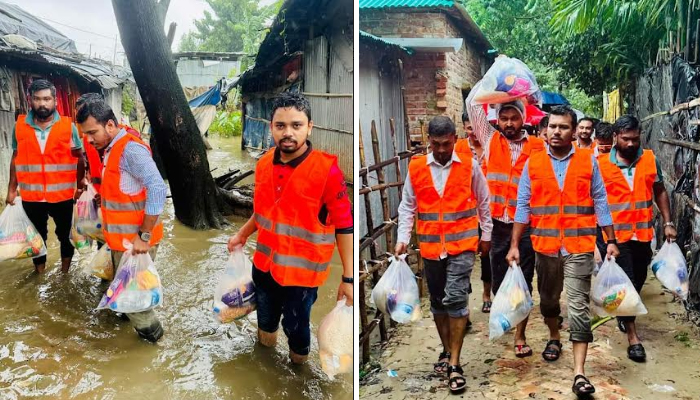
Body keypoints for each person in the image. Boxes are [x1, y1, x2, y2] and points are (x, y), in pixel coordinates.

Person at [227, 92, 353, 365]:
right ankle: (266, 369)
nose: (288, 133)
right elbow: (263, 213)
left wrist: (348, 278)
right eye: (280, 125)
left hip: (301, 279)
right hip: (263, 268)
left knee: (297, 333)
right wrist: (242, 234)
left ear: (310, 127)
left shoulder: (327, 171)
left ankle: (297, 375)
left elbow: (344, 226)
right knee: (265, 323)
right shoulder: (263, 165)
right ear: (271, 127)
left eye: (296, 125)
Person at [506, 105, 620, 398]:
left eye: (563, 127)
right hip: (545, 246)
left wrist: (610, 239)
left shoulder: (587, 162)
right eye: (553, 126)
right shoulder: (533, 163)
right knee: (547, 301)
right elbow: (523, 206)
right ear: (546, 130)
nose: (557, 132)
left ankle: (579, 373)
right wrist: (515, 244)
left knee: (579, 307)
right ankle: (554, 334)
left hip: (579, 245)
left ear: (574, 131)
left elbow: (601, 201)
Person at [395, 115, 491, 393]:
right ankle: (448, 350)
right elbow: (407, 207)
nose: (440, 150)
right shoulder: (416, 169)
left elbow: (484, 203)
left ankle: (455, 364)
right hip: (431, 248)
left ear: (455, 140)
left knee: (456, 298)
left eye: (446, 144)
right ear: (429, 141)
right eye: (435, 144)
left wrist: (485, 235)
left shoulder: (470, 167)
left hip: (462, 247)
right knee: (437, 302)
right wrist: (403, 239)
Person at [76, 97, 167, 343]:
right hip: (123, 242)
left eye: (92, 132)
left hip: (136, 243)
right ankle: (133, 329)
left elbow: (158, 188)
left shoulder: (130, 149)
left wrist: (144, 236)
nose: (89, 139)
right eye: (86, 134)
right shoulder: (112, 148)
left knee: (136, 304)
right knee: (128, 295)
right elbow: (126, 191)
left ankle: (155, 344)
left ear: (110, 125)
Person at [466, 94, 545, 357]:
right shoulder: (489, 140)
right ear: (497, 120)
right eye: (504, 118)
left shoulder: (537, 146)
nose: (509, 123)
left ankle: (521, 336)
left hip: (525, 226)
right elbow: (472, 105)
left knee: (524, 279)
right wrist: (496, 84)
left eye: (514, 118)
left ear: (524, 119)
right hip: (497, 224)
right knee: (500, 280)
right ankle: (506, 315)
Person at [596, 115, 676, 362]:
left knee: (638, 279)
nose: (631, 144)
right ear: (615, 137)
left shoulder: (650, 159)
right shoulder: (600, 164)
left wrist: (668, 222)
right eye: (626, 139)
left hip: (642, 234)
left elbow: (659, 190)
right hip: (613, 237)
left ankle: (623, 312)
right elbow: (593, 202)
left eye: (635, 139)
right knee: (627, 282)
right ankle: (633, 337)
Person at [5, 79, 85, 274]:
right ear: (30, 100)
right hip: (32, 196)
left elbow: (79, 158)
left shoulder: (68, 126)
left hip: (62, 195)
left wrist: (80, 185)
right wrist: (11, 190)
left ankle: (65, 273)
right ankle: (40, 272)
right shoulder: (20, 126)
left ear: (55, 100)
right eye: (38, 99)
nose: (43, 104)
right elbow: (16, 158)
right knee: (36, 236)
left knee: (65, 235)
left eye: (47, 99)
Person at [459, 111, 491, 312]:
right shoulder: (457, 149)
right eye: (469, 128)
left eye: (477, 128)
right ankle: (465, 303)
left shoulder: (493, 147)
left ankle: (487, 295)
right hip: (465, 214)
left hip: (489, 212)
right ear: (464, 128)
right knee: (463, 258)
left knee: (487, 256)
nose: (473, 132)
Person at [593, 121, 615, 264]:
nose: (605, 150)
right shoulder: (587, 158)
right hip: (597, 214)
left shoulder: (619, 158)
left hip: (617, 212)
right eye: (602, 146)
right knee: (603, 250)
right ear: (595, 140)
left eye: (609, 146)